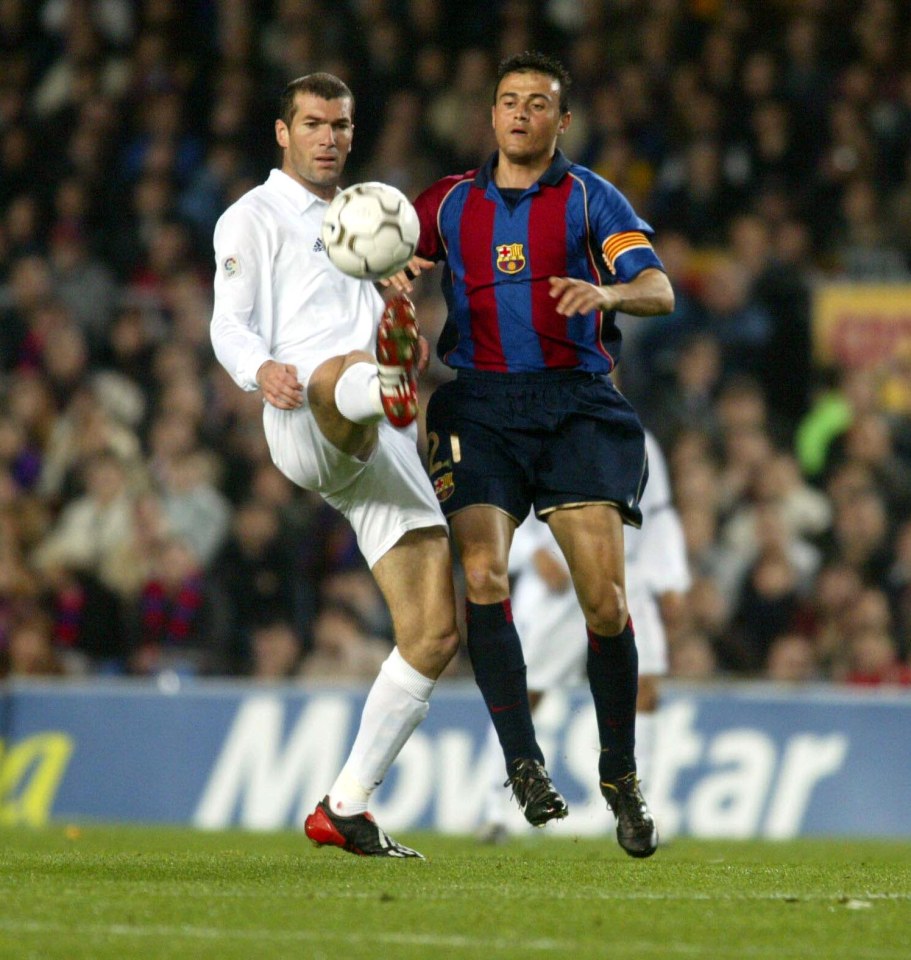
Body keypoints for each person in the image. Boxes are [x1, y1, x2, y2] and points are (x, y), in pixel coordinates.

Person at [389, 51, 674, 857]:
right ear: (490, 115)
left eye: (537, 104)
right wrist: (395, 282)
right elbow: (390, 263)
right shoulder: (444, 204)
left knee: (606, 605)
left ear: (561, 121)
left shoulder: (591, 197)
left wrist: (607, 292)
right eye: (508, 102)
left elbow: (659, 289)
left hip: (576, 404)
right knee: (481, 574)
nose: (520, 115)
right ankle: (521, 762)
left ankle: (618, 771)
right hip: (478, 404)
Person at [210, 73, 460, 858]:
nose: (328, 137)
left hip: (377, 437)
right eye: (313, 123)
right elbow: (229, 324)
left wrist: (395, 309)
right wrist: (259, 373)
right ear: (282, 132)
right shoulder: (250, 218)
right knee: (338, 372)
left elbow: (386, 323)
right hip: (304, 413)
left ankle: (345, 806)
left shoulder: (371, 216)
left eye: (341, 125)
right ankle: (381, 382)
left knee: (433, 632)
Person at [477, 430, 691, 842]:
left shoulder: (635, 437)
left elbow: (658, 510)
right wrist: (532, 551)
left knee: (644, 688)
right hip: (560, 582)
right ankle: (496, 808)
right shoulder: (541, 427)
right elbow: (507, 498)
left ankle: (637, 807)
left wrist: (671, 579)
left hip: (624, 579)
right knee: (527, 690)